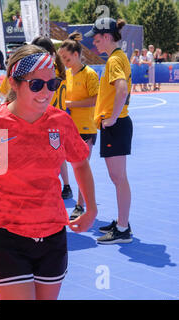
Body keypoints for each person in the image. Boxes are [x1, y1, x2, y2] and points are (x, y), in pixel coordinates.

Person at [0, 44, 97, 300]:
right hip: (5, 236)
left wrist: (90, 207)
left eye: (53, 84)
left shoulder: (60, 122)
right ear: (14, 83)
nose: (46, 92)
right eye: (36, 85)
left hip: (53, 236)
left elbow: (80, 163)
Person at [85, 17, 133, 244]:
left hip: (116, 124)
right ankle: (122, 222)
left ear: (106, 37)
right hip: (117, 124)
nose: (94, 43)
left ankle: (123, 228)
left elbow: (121, 90)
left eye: (96, 38)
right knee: (118, 178)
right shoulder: (118, 58)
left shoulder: (114, 61)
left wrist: (112, 118)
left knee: (119, 178)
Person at [58, 32, 99, 220]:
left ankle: (81, 205)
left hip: (85, 128)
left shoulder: (89, 74)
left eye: (66, 58)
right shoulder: (66, 75)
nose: (64, 62)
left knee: (82, 168)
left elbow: (94, 100)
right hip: (68, 127)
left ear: (76, 55)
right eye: (62, 59)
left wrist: (70, 105)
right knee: (67, 165)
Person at [31, 36, 72, 200]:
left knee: (48, 155)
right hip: (58, 119)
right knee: (58, 154)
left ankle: (49, 187)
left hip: (48, 119)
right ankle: (66, 185)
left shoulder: (47, 71)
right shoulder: (59, 69)